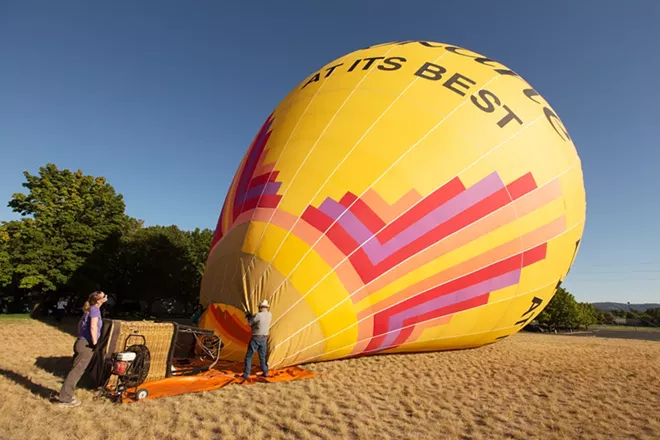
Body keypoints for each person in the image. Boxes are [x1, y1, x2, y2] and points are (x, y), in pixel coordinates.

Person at [55, 290, 107, 407]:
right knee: (76, 372)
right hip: (86, 345)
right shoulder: (95, 309)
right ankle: (65, 399)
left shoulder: (89, 309)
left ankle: (66, 394)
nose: (106, 298)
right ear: (99, 300)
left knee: (75, 370)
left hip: (81, 342)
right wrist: (94, 342)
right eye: (104, 296)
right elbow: (93, 327)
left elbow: (80, 325)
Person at [242, 300, 271, 380]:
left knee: (249, 356)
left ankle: (246, 373)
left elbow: (250, 323)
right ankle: (265, 372)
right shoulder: (269, 315)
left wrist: (248, 316)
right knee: (262, 357)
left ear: (260, 308)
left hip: (256, 338)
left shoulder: (258, 315)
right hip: (264, 339)